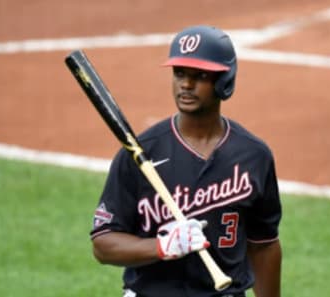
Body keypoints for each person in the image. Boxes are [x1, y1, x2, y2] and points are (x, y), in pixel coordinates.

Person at [90, 25, 283, 297]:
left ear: (224, 80)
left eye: (200, 75)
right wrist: (161, 246)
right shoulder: (139, 152)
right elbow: (103, 244)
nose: (186, 84)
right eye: (179, 73)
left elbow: (263, 244)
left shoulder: (254, 156)